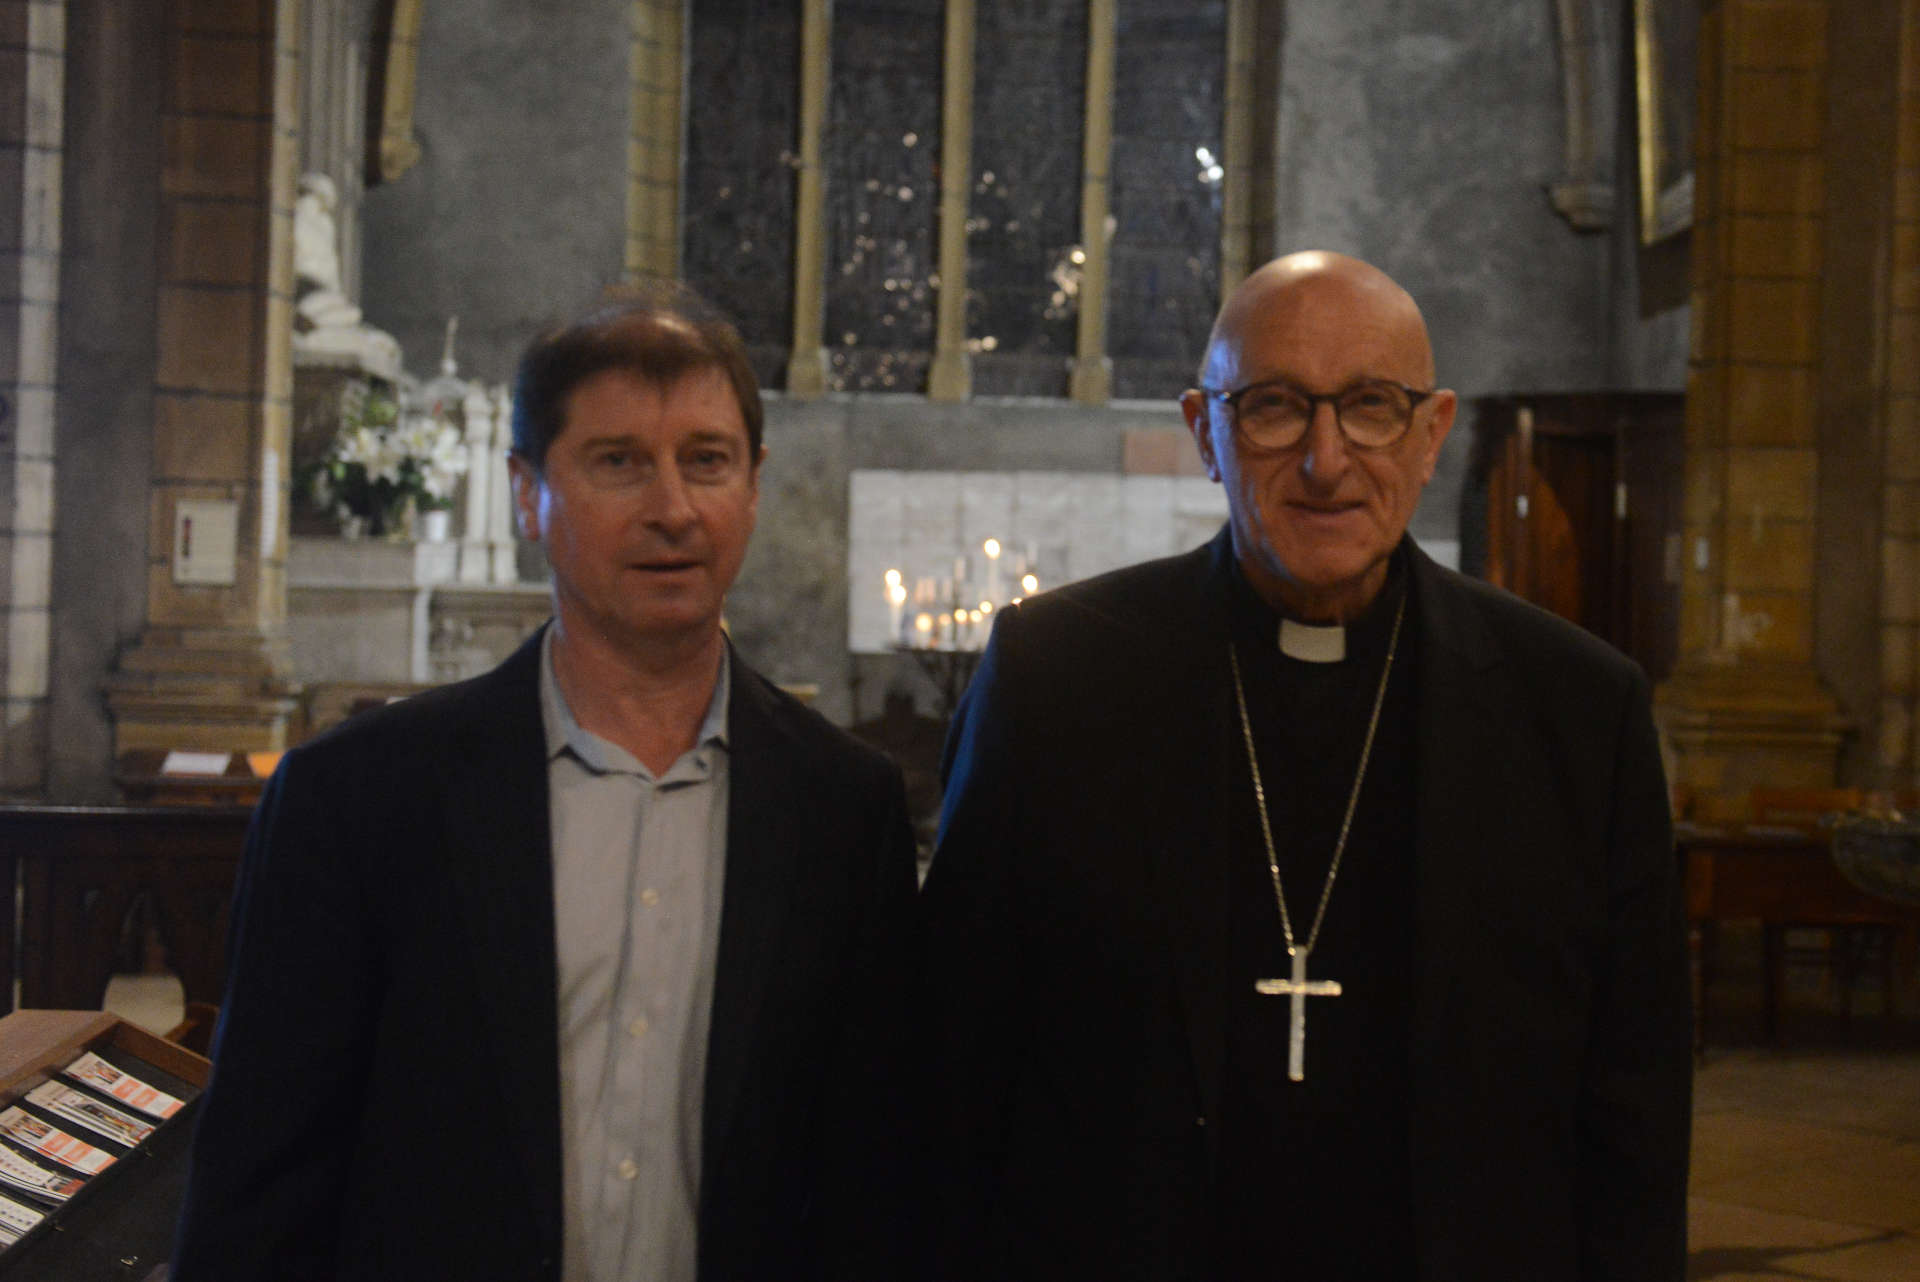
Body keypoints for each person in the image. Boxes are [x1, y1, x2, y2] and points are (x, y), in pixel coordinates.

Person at [919, 251, 1690, 1281]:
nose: (1328, 460)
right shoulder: (1053, 681)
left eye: (1372, 406)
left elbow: (1633, 1115)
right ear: (1206, 432)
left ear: (1431, 436)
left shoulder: (1580, 712)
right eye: (1276, 407)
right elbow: (948, 1071)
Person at [174, 282, 918, 1281]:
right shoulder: (356, 799)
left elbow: (874, 1180)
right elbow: (259, 1189)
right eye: (618, 463)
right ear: (528, 492)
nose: (672, 508)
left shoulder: (845, 809)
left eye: (707, 461)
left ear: (752, 484)